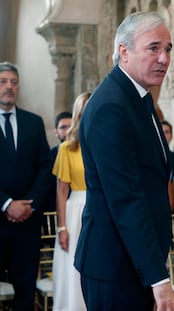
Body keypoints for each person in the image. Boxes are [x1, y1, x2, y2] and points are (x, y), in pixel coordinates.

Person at [74, 12, 174, 310]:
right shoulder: (111, 106)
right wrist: (159, 281)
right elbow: (126, 199)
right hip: (115, 265)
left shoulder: (136, 98)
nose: (164, 58)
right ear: (123, 51)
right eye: (153, 48)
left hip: (136, 261)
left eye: (168, 49)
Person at [0, 61, 52, 310]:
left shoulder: (34, 122)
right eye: (3, 82)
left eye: (13, 82)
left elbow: (45, 167)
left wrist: (29, 204)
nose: (8, 87)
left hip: (27, 223)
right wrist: (7, 204)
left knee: (25, 291)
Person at [52, 92, 90, 311]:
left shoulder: (104, 142)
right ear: (78, 113)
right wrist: (62, 226)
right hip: (76, 211)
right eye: (84, 109)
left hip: (102, 208)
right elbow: (61, 190)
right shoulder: (67, 147)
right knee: (74, 269)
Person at [46, 111, 72, 211]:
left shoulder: (85, 152)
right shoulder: (50, 156)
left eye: (71, 126)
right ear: (56, 132)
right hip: (56, 210)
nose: (68, 130)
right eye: (63, 127)